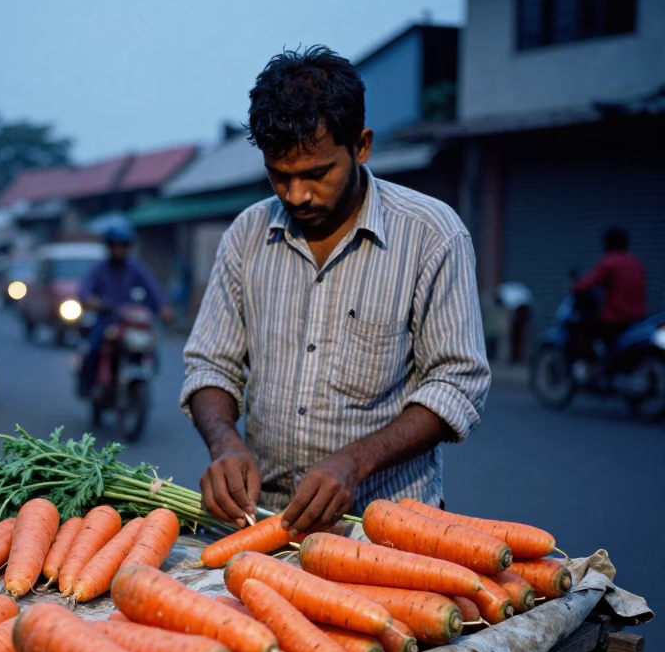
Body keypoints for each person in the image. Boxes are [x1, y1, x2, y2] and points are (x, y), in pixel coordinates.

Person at [182, 45, 491, 535]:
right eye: (279, 176)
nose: (296, 195)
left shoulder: (432, 234)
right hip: (264, 522)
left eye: (316, 174)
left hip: (388, 528)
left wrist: (357, 461)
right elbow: (210, 366)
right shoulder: (247, 234)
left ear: (361, 146)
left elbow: (456, 382)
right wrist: (226, 444)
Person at [77, 222, 170, 397]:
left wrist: (163, 307)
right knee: (94, 348)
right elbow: (84, 290)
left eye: (122, 246)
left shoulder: (135, 268)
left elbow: (153, 289)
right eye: (115, 246)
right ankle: (88, 385)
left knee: (150, 345)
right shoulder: (99, 269)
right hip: (106, 321)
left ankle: (143, 375)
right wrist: (91, 301)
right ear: (109, 247)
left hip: (130, 323)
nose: (119, 250)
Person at [571, 227, 647, 369]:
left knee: (582, 329)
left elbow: (586, 285)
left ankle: (593, 365)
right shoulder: (636, 262)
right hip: (638, 317)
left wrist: (576, 284)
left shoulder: (609, 263)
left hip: (615, 318)